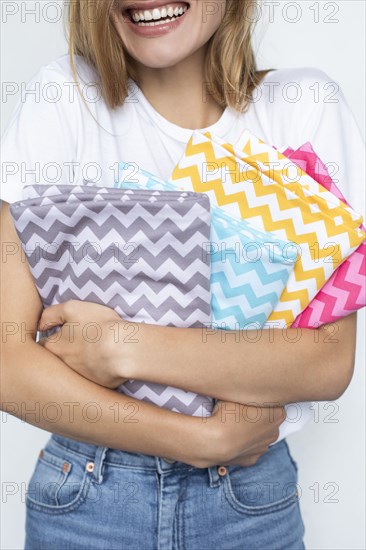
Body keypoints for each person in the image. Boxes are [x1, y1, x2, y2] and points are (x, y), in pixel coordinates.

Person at [1, 1, 364, 548]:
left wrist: (122, 346)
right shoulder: (64, 97)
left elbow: (326, 362)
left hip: (249, 500)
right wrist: (202, 438)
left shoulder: (303, 104)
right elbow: (8, 362)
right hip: (89, 499)